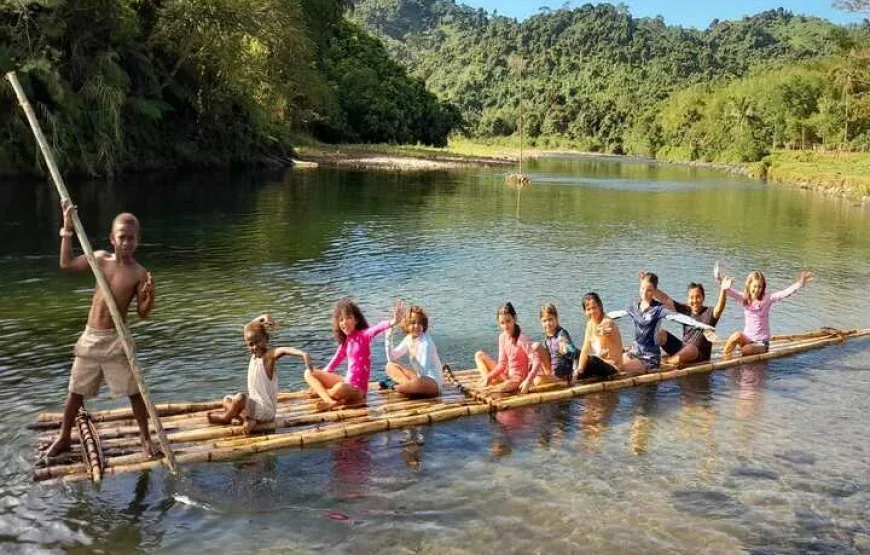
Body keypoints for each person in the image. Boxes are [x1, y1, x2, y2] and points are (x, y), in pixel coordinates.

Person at [43, 201, 157, 460]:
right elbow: (66, 263)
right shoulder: (100, 260)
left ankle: (145, 438)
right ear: (112, 239)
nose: (126, 243)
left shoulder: (139, 273)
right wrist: (67, 228)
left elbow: (142, 312)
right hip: (91, 338)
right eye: (122, 237)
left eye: (131, 238)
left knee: (134, 392)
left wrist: (149, 297)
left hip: (116, 341)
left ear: (138, 240)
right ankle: (63, 438)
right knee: (75, 391)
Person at [207, 314, 311, 433]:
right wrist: (262, 318)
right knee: (227, 400)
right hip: (254, 407)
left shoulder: (268, 357)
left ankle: (227, 418)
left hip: (265, 411)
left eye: (258, 342)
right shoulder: (254, 356)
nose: (255, 347)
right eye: (251, 344)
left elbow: (283, 350)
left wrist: (302, 354)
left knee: (240, 397)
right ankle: (247, 419)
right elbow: (247, 329)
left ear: (266, 339)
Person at [305, 298, 403, 411]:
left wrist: (393, 321)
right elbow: (331, 365)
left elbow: (377, 328)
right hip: (347, 382)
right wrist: (318, 379)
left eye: (348, 318)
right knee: (309, 372)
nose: (344, 322)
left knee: (340, 387)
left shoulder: (364, 335)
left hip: (358, 391)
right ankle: (329, 400)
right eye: (341, 319)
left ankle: (322, 393)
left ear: (356, 320)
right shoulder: (345, 343)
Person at [611, 273, 715, 375]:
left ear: (654, 291)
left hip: (649, 358)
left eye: (649, 290)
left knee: (621, 368)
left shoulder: (658, 309)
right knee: (615, 363)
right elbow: (618, 313)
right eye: (642, 288)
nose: (644, 292)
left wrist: (702, 326)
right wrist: (601, 317)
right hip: (634, 352)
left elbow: (679, 318)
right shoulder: (634, 307)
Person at [720, 268, 813, 358]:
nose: (757, 290)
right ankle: (724, 357)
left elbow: (785, 293)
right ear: (749, 286)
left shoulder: (767, 299)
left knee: (745, 350)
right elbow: (727, 291)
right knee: (735, 336)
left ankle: (741, 353)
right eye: (754, 286)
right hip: (747, 338)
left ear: (763, 287)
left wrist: (800, 283)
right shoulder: (744, 298)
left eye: (760, 287)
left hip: (761, 343)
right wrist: (720, 279)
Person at [652, 276, 731, 365]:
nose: (695, 300)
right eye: (692, 297)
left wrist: (723, 290)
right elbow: (665, 299)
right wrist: (650, 287)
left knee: (691, 349)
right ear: (688, 299)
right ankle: (649, 356)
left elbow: (719, 308)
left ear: (703, 298)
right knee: (661, 333)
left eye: (698, 297)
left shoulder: (709, 312)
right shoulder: (685, 310)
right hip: (683, 349)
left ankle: (667, 362)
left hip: (699, 354)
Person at [475, 302, 542, 394]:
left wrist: (528, 380)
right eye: (502, 323)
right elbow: (502, 365)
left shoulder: (522, 339)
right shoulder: (502, 337)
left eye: (508, 321)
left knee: (498, 389)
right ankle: (486, 379)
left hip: (518, 380)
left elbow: (536, 361)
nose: (506, 326)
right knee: (479, 355)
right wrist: (489, 376)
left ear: (515, 319)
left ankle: (488, 384)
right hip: (507, 376)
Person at [384, 305, 443, 398]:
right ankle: (407, 388)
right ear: (407, 325)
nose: (416, 326)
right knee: (390, 366)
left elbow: (424, 372)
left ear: (423, 325)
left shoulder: (425, 342)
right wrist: (388, 338)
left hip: (432, 382)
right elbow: (392, 358)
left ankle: (397, 387)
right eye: (413, 323)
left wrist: (413, 355)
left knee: (415, 383)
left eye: (419, 323)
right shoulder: (409, 338)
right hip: (418, 379)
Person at [575, 292, 622, 381]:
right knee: (577, 356)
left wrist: (603, 331)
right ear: (585, 311)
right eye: (588, 309)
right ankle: (577, 376)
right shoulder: (590, 324)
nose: (592, 311)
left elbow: (607, 327)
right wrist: (580, 369)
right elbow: (585, 349)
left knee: (592, 360)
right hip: (601, 363)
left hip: (613, 367)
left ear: (600, 306)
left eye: (594, 308)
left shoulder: (607, 322)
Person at [534, 303, 578, 384]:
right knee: (536, 347)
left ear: (557, 319)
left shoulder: (561, 335)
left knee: (537, 380)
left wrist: (575, 373)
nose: (547, 323)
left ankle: (560, 382)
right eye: (544, 321)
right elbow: (546, 356)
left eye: (550, 319)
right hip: (553, 370)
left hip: (563, 374)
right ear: (541, 322)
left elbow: (574, 354)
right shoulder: (547, 336)